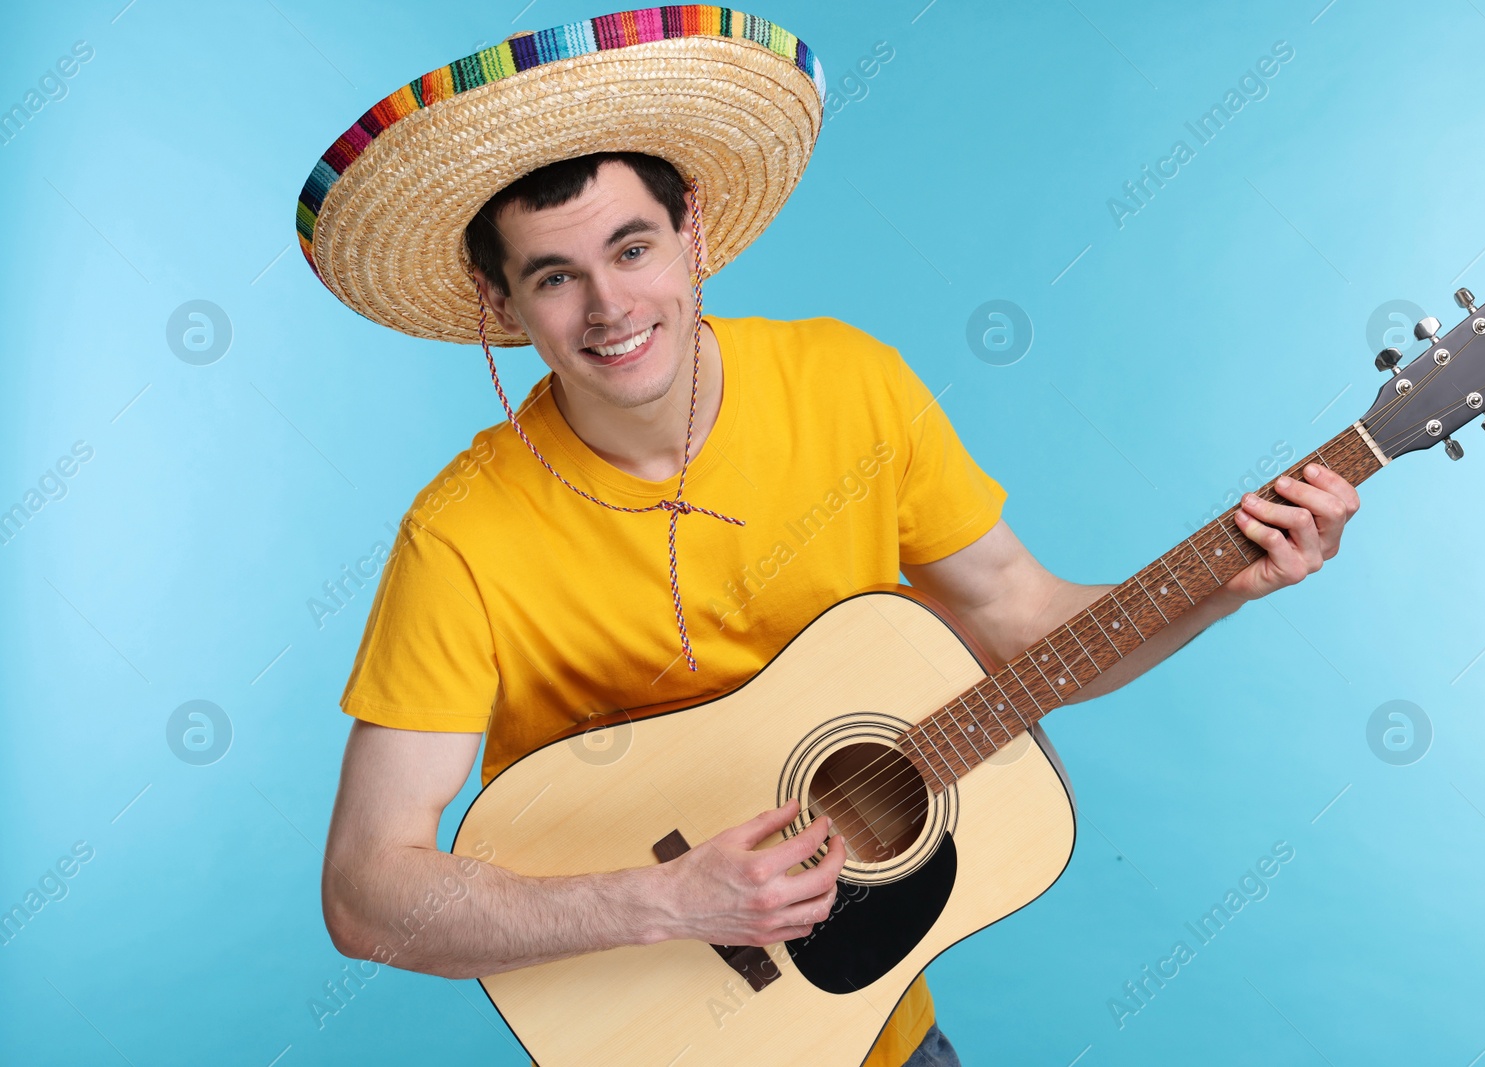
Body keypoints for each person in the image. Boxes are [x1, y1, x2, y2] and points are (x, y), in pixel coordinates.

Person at [296, 11, 1360, 1067]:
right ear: (501, 300)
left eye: (633, 247)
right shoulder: (461, 534)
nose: (610, 305)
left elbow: (1027, 624)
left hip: (878, 1033)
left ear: (693, 229)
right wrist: (665, 898)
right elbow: (366, 888)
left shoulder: (849, 386)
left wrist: (1228, 579)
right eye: (554, 275)